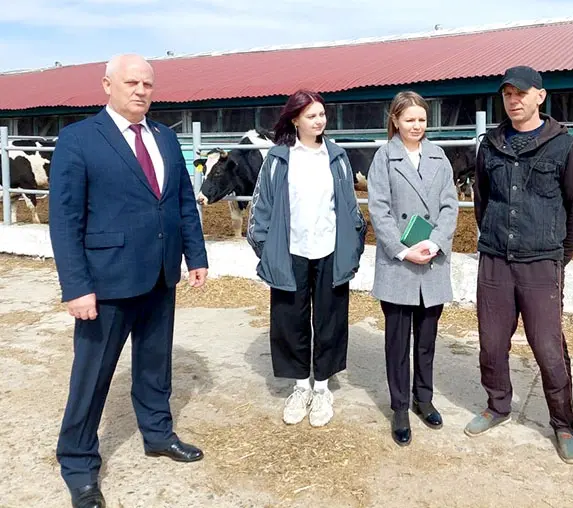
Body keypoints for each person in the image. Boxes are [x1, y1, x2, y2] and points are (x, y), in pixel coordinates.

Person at [48, 54, 209, 508]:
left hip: (160, 274)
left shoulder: (164, 137)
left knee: (155, 367)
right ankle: (78, 463)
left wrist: (195, 255)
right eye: (132, 82)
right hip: (107, 282)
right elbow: (65, 220)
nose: (141, 90)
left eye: (148, 84)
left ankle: (157, 434)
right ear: (107, 85)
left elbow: (181, 203)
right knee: (92, 376)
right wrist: (76, 286)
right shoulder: (79, 139)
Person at [467, 65, 573, 464]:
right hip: (495, 262)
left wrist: (557, 255)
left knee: (548, 348)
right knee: (491, 343)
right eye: (507, 94)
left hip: (542, 265)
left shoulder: (563, 146)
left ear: (540, 95)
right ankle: (497, 404)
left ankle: (563, 423)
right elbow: (483, 201)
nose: (514, 100)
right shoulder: (490, 145)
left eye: (521, 93)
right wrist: (495, 241)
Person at [246, 89, 366, 428]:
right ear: (295, 119)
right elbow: (262, 206)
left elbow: (349, 207)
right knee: (290, 320)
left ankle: (323, 387)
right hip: (291, 250)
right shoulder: (279, 158)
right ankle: (301, 387)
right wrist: (265, 248)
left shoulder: (338, 157)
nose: (319, 121)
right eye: (311, 115)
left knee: (330, 319)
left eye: (322, 115)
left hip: (329, 249)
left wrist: (353, 243)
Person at [367, 91, 459, 446]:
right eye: (410, 120)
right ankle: (400, 407)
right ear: (395, 121)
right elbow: (379, 209)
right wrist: (403, 250)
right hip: (399, 263)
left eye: (421, 119)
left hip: (432, 259)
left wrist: (435, 242)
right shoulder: (383, 158)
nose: (417, 126)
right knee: (396, 341)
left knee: (426, 340)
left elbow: (450, 205)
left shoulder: (439, 157)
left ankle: (424, 398)